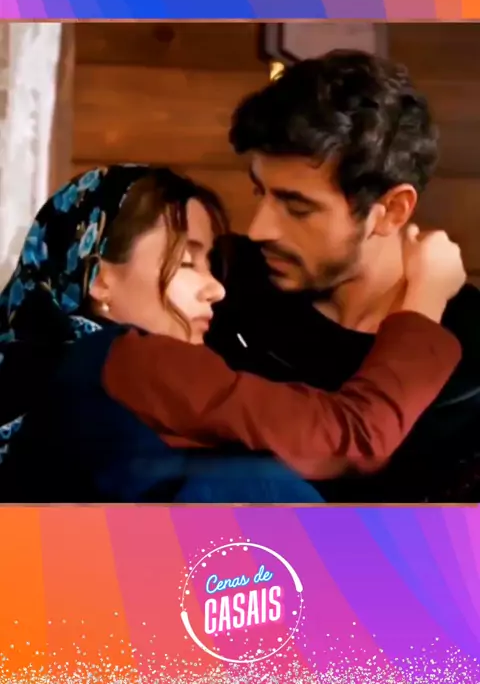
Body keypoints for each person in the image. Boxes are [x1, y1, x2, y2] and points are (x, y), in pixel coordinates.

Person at [0, 164, 464, 504]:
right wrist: (427, 296)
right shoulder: (131, 361)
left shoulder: (52, 377)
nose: (216, 289)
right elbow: (352, 435)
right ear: (100, 279)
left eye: (210, 264)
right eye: (186, 262)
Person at [206, 49, 480, 503]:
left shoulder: (472, 353)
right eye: (260, 192)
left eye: (297, 208)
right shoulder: (217, 286)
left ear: (391, 210)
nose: (259, 229)